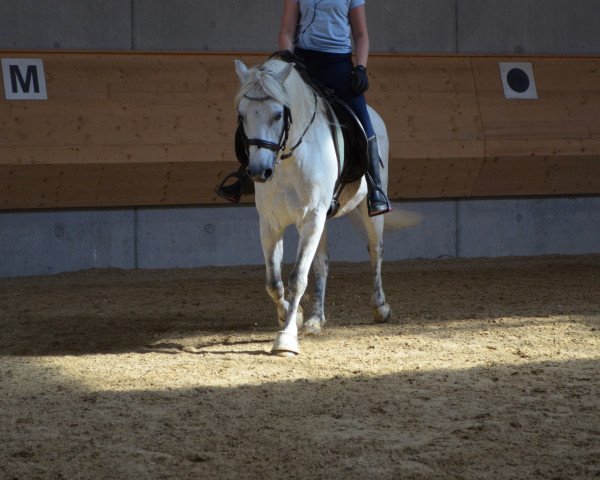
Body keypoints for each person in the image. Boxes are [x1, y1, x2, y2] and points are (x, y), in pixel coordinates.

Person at [217, 0, 390, 216]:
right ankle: (244, 175)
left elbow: (361, 35)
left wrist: (361, 68)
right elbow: (287, 31)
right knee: (260, 106)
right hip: (302, 63)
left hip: (337, 65)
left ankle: (375, 188)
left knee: (363, 120)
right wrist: (286, 56)